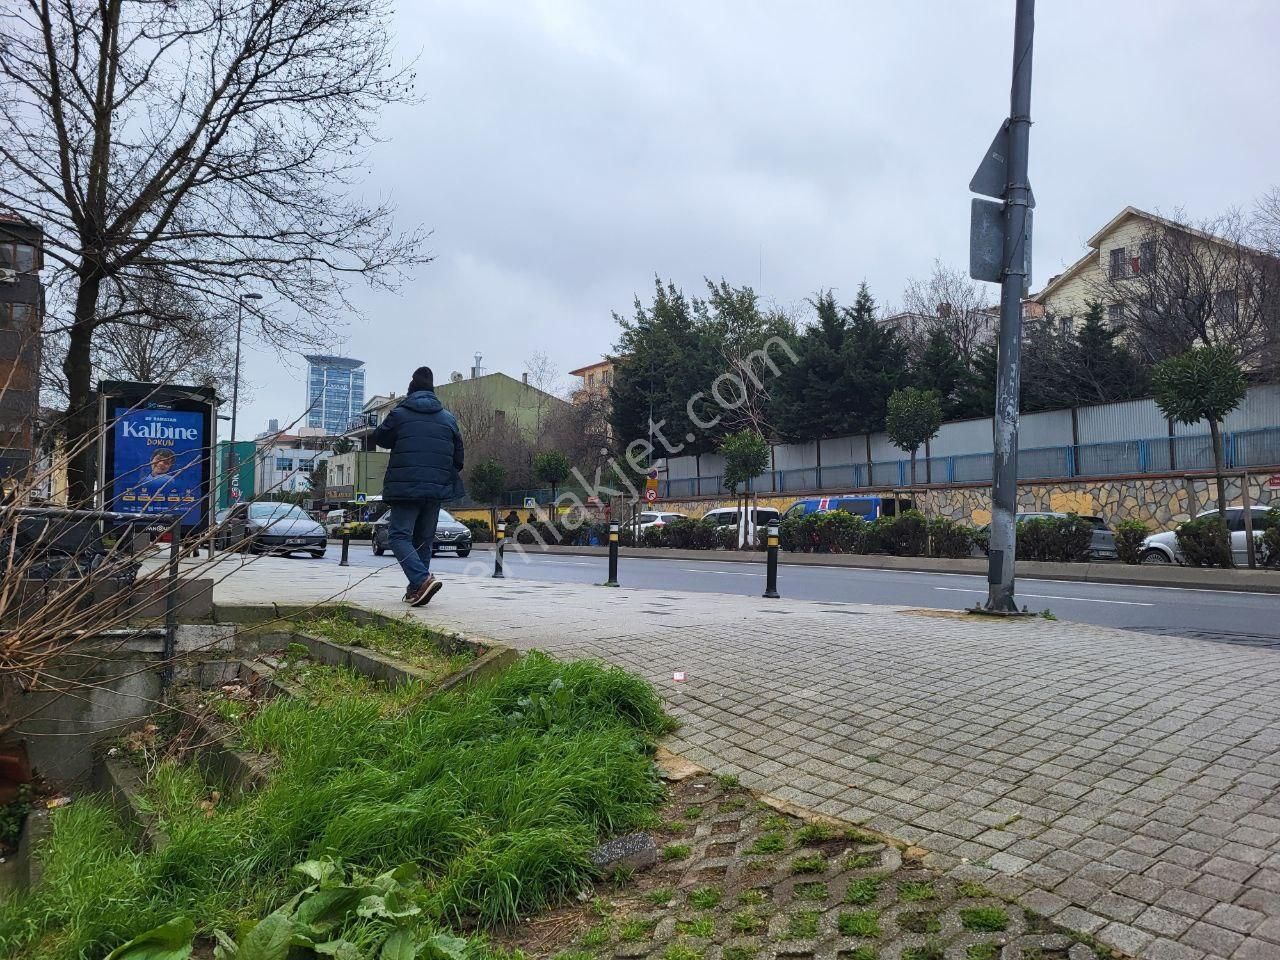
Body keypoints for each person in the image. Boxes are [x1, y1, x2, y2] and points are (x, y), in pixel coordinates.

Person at [371, 366, 465, 606]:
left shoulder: (401, 413)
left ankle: (422, 579)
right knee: (423, 539)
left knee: (398, 536)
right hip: (435, 490)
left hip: (406, 487)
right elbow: (459, 458)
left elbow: (380, 438)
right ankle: (416, 590)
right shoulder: (448, 418)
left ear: (411, 390)